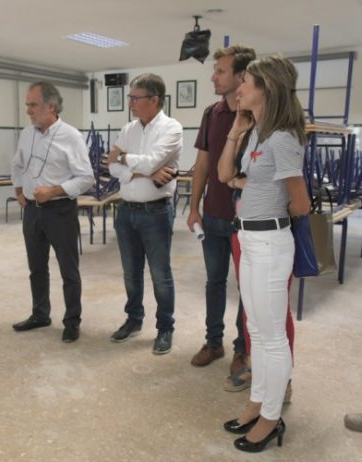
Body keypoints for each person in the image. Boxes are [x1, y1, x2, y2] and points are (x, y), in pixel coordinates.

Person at [218, 54, 310, 452]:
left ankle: (271, 417)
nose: (239, 88)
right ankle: (257, 403)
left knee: (272, 337)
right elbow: (225, 175)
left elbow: (301, 203)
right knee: (255, 330)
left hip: (271, 243)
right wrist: (236, 132)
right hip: (250, 240)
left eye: (246, 82)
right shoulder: (257, 132)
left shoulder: (284, 137)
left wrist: (266, 202)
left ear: (266, 89)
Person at [187, 45, 256, 376]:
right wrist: (193, 207)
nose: (213, 77)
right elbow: (202, 165)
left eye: (220, 71)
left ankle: (242, 349)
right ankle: (213, 342)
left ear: (241, 76)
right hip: (213, 215)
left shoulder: (256, 116)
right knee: (214, 282)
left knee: (246, 288)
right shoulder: (210, 114)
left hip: (246, 219)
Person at [11, 81, 94, 343]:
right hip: (32, 211)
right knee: (36, 267)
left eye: (33, 105)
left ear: (51, 106)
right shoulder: (27, 133)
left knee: (69, 270)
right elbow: (17, 164)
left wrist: (55, 191)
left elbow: (86, 178)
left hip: (60, 211)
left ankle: (72, 321)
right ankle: (40, 314)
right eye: (27, 104)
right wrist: (19, 190)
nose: (28, 110)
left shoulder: (71, 136)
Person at [108, 73, 182, 355]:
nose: (130, 103)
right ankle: (134, 319)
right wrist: (146, 171)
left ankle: (165, 328)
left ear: (154, 99)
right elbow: (110, 166)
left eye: (135, 98)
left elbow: (142, 162)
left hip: (156, 212)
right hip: (125, 210)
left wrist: (126, 160)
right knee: (131, 273)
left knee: (160, 274)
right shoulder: (128, 129)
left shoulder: (171, 128)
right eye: (130, 97)